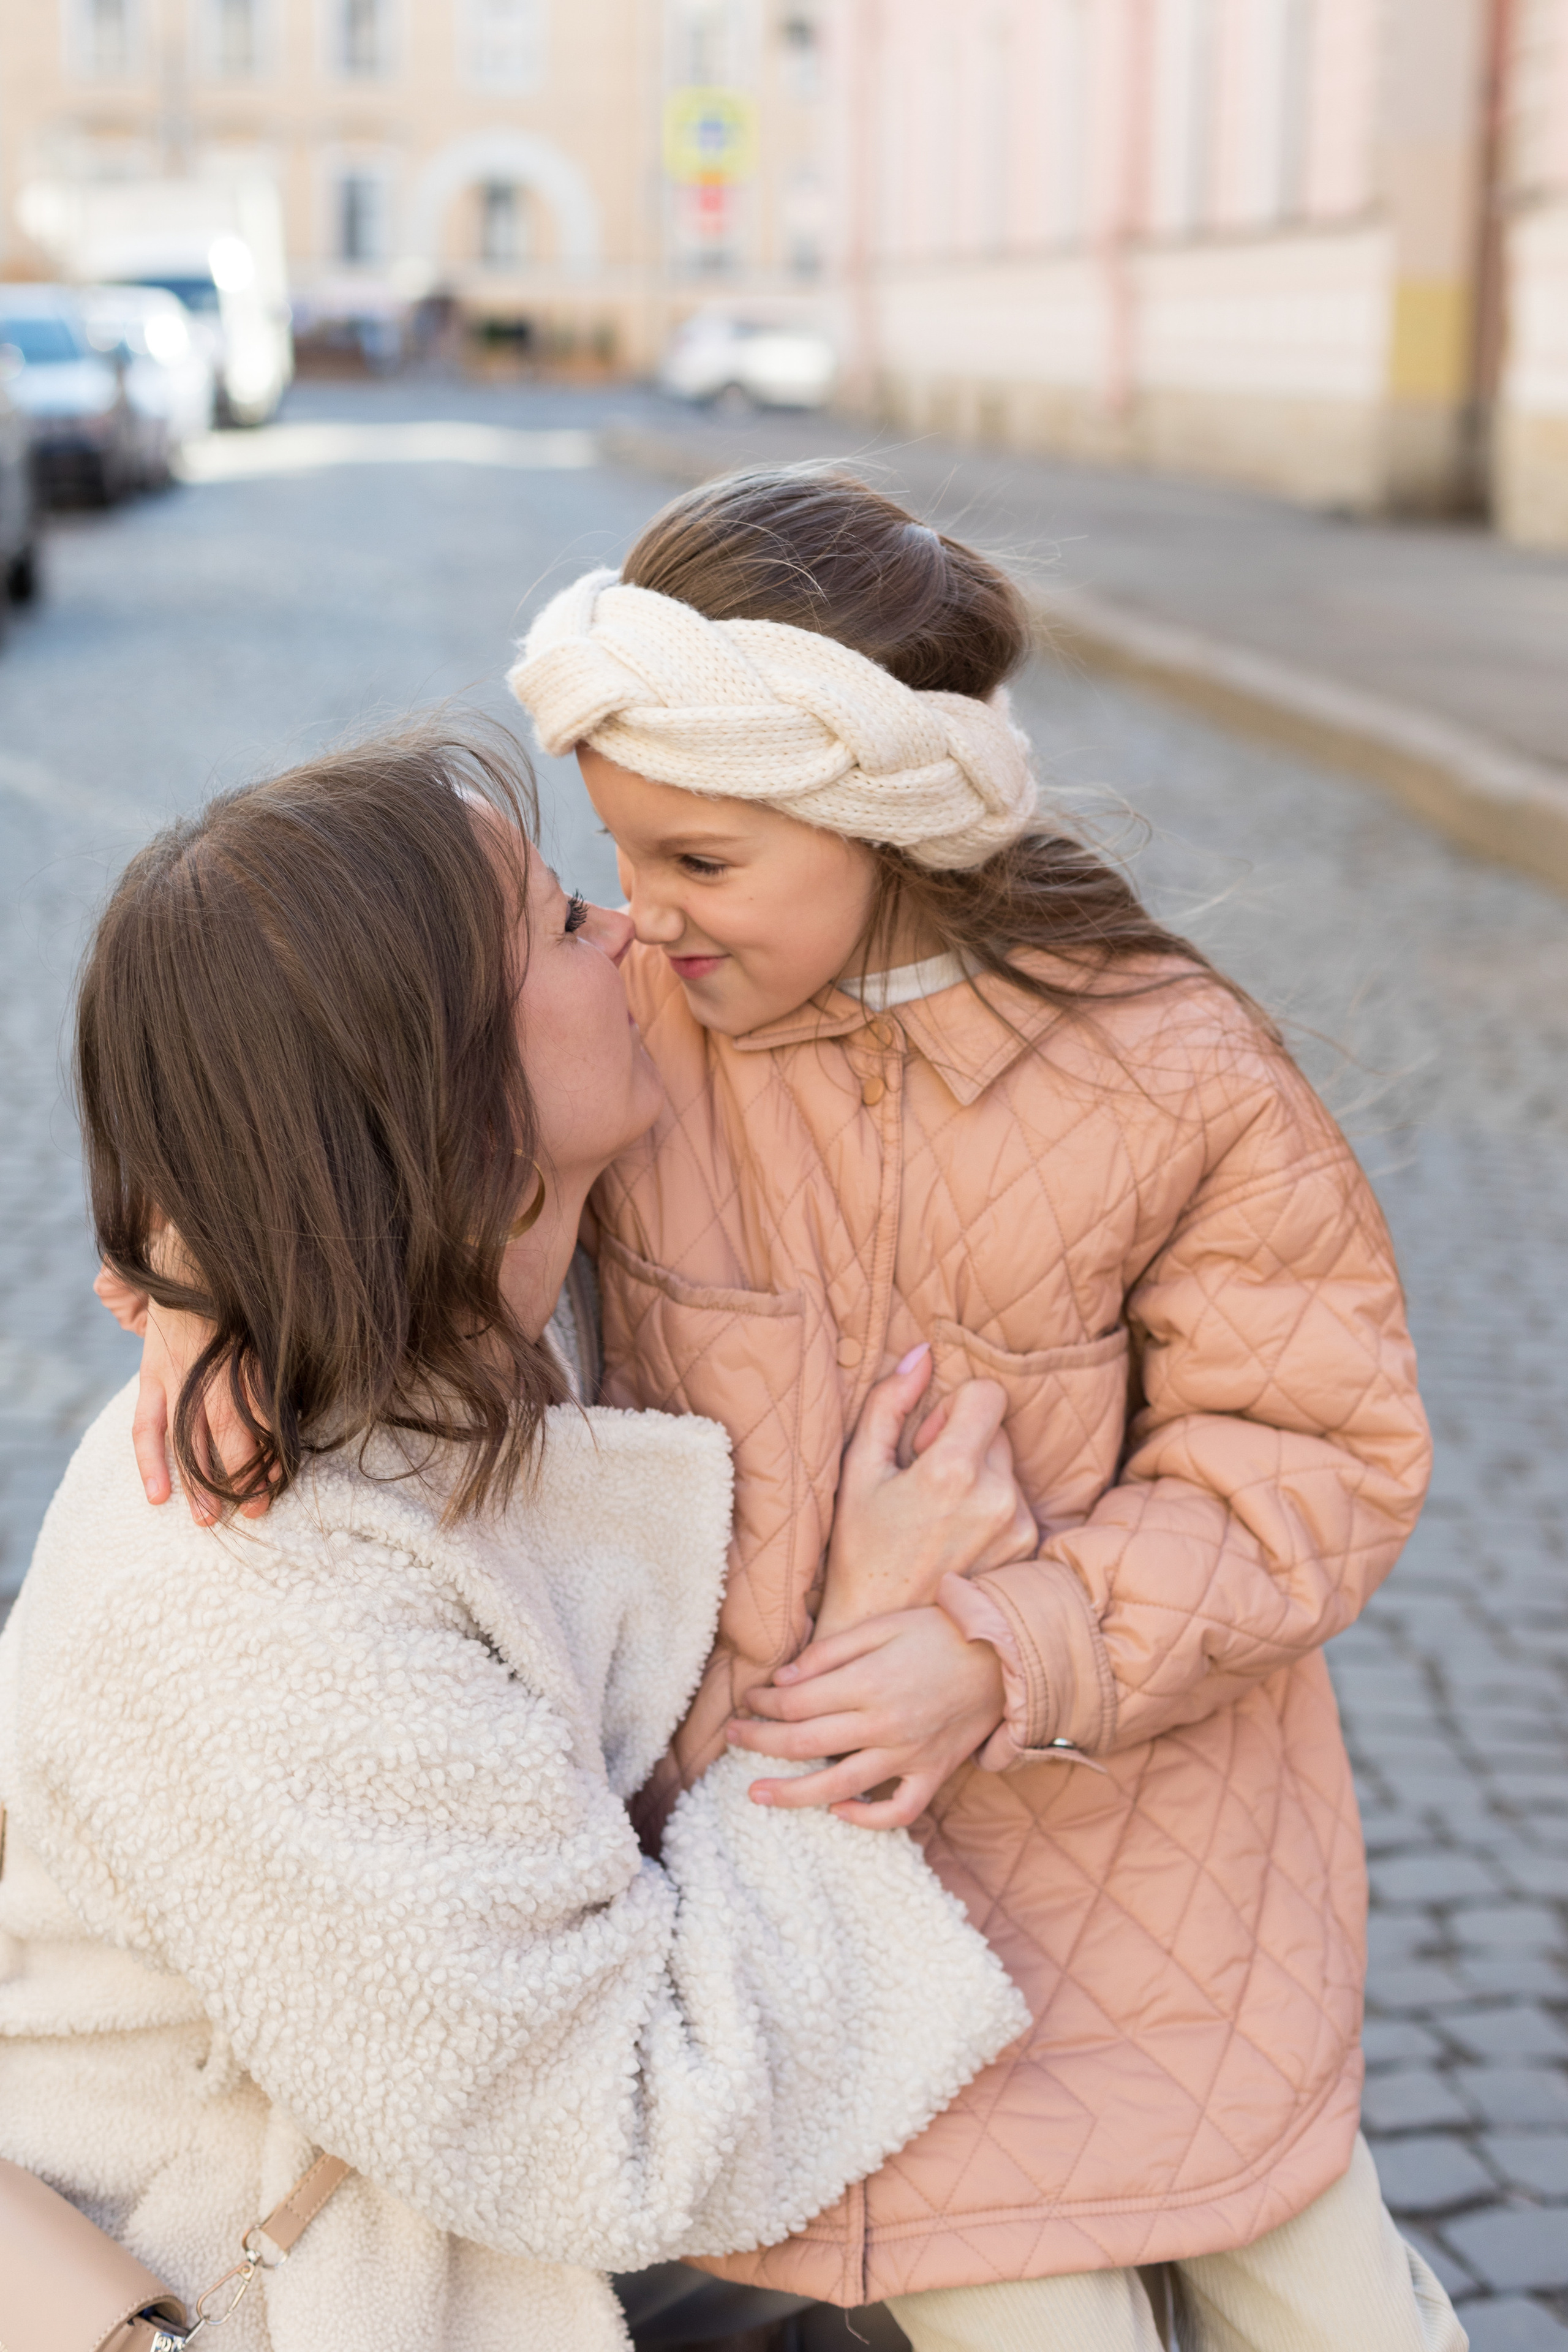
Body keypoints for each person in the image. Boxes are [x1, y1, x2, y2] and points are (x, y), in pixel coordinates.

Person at [500, 470, 1466, 2352]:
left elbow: (1314, 1457)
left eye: (702, 862)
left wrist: (1004, 1645)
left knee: (1346, 2321)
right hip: (857, 1922)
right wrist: (217, 1340)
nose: (646, 917)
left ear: (880, 818)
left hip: (1162, 1877)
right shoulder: (634, 1047)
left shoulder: (1169, 1068)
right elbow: (424, 1246)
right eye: (621, 854)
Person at [0, 728, 1033, 2352]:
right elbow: (615, 2131)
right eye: (558, 925)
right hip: (325, 2288)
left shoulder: (435, 1310)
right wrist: (865, 1644)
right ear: (438, 1090)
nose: (626, 927)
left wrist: (189, 1268)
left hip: (480, 2199)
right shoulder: (254, 1597)